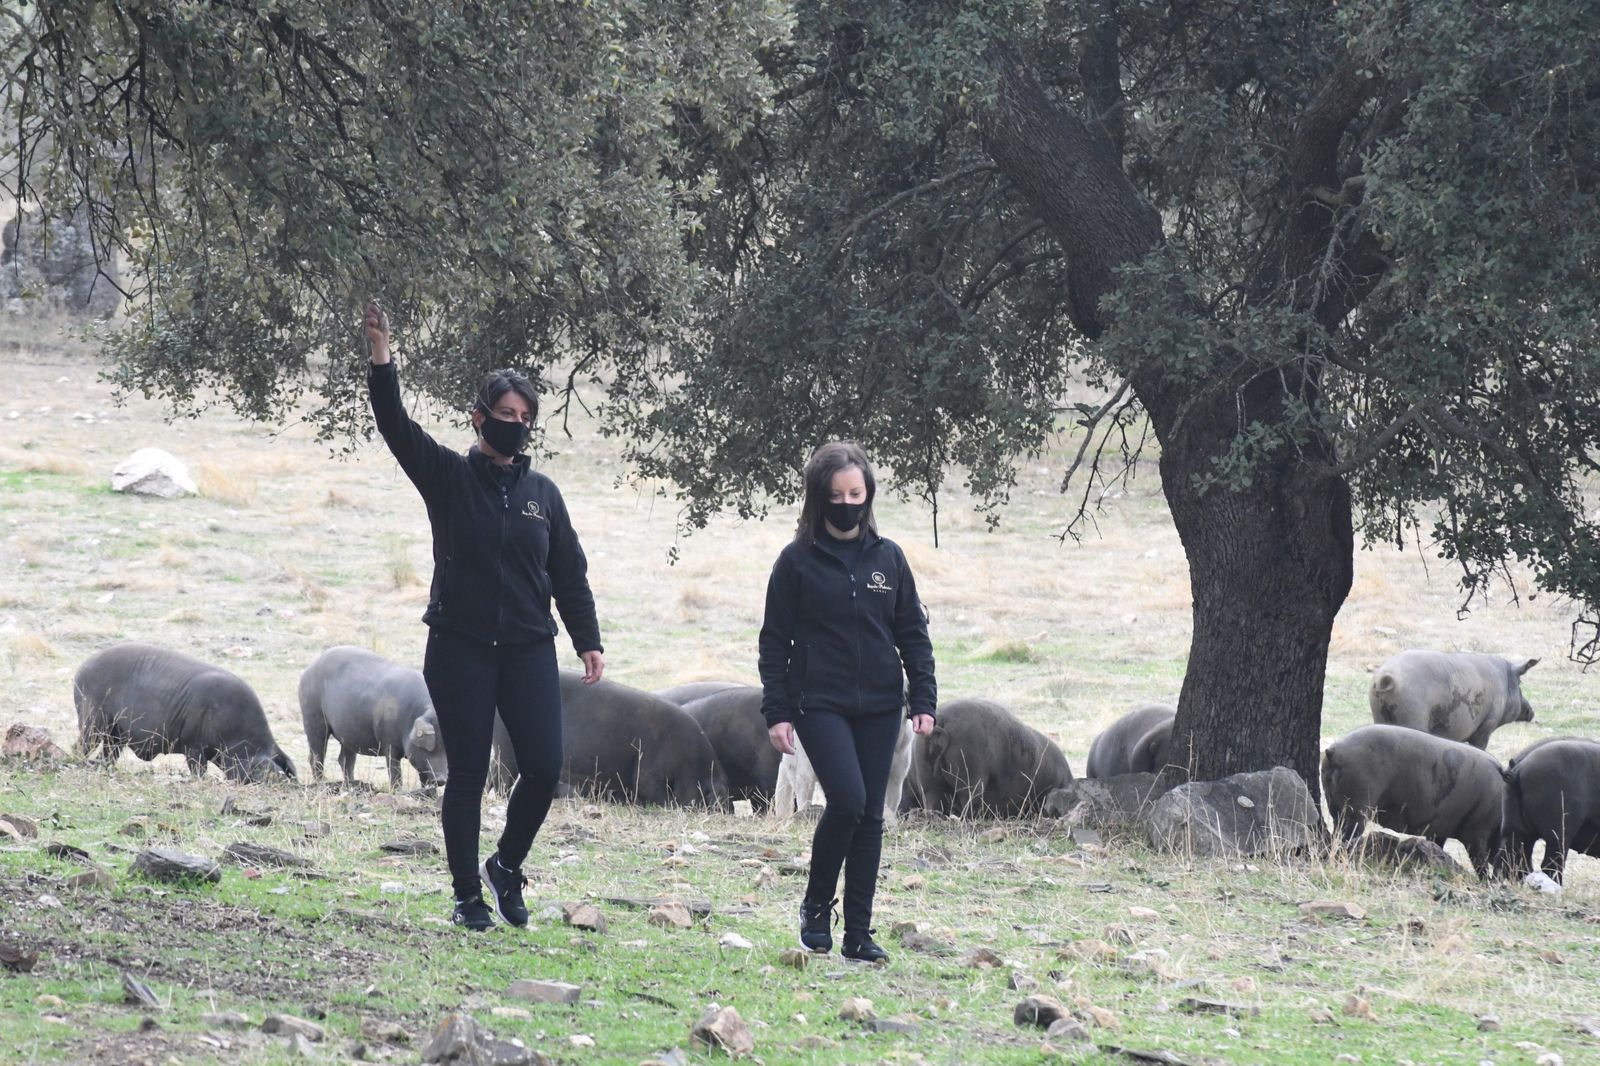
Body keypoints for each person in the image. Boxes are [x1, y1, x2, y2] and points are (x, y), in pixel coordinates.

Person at [363, 301, 605, 931]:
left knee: (545, 766)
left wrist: (588, 639)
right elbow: (393, 424)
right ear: (479, 418)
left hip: (528, 646)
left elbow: (569, 572)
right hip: (459, 645)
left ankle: (507, 866)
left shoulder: (542, 496)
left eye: (525, 418)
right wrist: (381, 355)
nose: (516, 426)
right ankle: (468, 895)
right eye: (505, 416)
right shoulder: (447, 476)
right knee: (467, 772)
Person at [758, 441, 937, 962]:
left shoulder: (890, 558)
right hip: (820, 702)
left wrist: (922, 695)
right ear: (819, 498)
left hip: (882, 704)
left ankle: (859, 934)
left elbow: (912, 631)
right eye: (836, 495)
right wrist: (778, 711)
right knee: (849, 802)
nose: (847, 503)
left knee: (872, 816)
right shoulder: (795, 563)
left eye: (855, 493)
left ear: (869, 494)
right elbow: (774, 641)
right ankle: (816, 908)